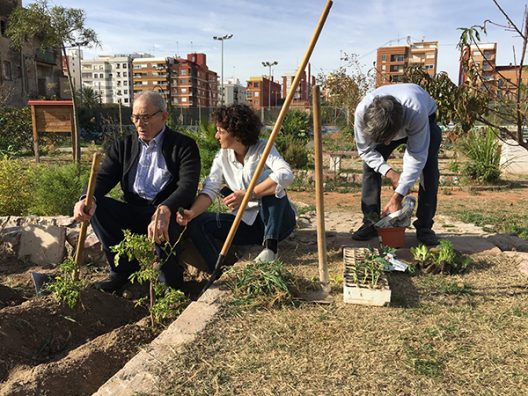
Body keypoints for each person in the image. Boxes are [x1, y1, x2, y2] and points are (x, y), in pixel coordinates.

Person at [73, 91, 201, 292]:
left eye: (146, 117)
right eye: (135, 117)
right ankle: (122, 271)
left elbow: (188, 185)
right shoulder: (124, 145)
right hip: (133, 209)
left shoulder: (183, 146)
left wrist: (165, 209)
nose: (140, 123)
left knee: (169, 280)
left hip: (166, 213)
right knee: (97, 207)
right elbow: (103, 177)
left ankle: (171, 283)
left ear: (164, 117)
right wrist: (86, 198)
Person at [176, 104, 296, 271]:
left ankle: (270, 249)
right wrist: (192, 213)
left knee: (272, 189)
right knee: (198, 224)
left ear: (237, 133)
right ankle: (218, 271)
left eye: (221, 131)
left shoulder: (263, 148)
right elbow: (210, 189)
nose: (217, 135)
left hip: (277, 222)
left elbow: (286, 174)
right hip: (246, 223)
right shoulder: (222, 158)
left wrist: (250, 194)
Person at [351, 83, 441, 246]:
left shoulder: (416, 111)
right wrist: (391, 173)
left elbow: (417, 155)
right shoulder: (361, 113)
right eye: (381, 140)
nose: (386, 143)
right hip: (386, 122)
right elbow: (365, 151)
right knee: (370, 167)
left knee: (429, 170)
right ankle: (371, 222)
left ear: (399, 128)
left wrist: (398, 196)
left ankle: (424, 227)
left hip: (426, 118)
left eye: (388, 138)